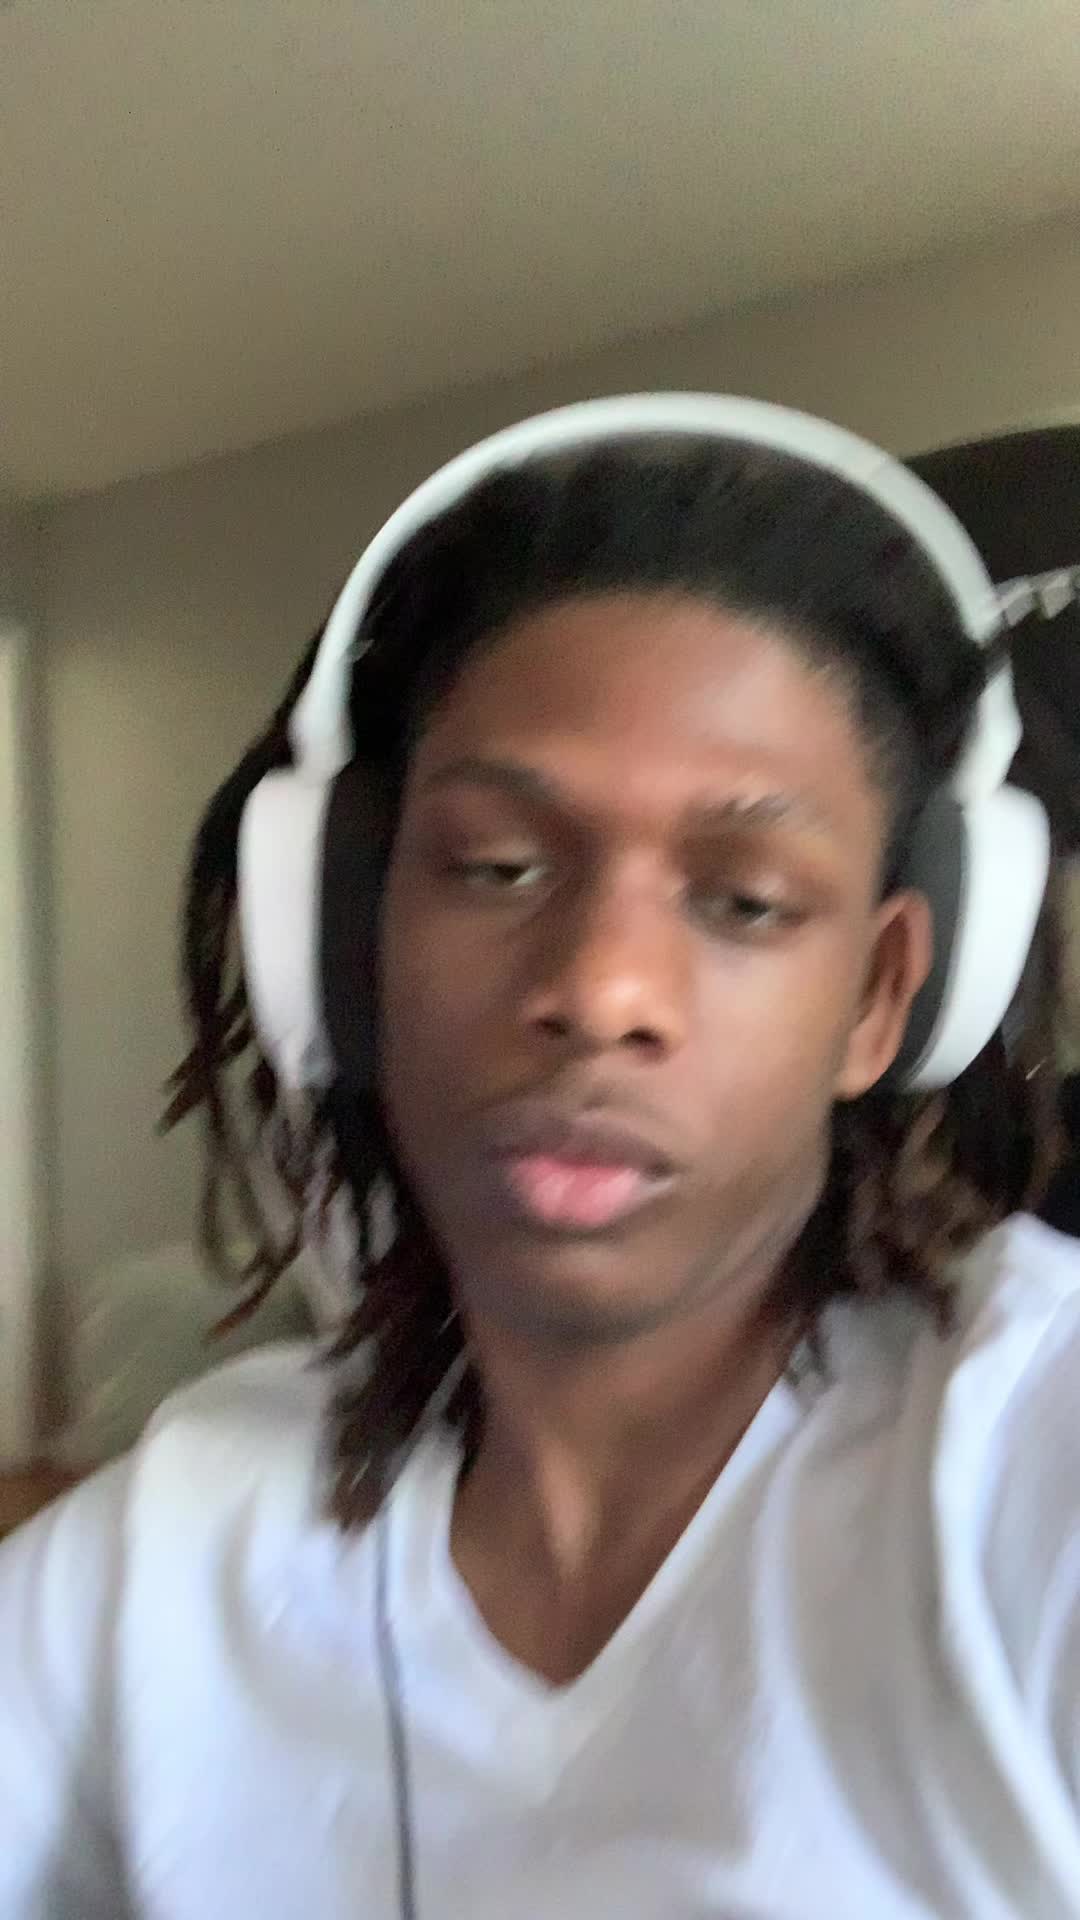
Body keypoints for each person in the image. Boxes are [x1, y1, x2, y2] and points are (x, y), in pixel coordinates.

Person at [1, 393, 1078, 1920]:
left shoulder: (1030, 1466)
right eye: (497, 867)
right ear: (351, 945)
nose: (600, 990)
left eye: (746, 900)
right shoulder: (177, 1541)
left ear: (881, 1000)